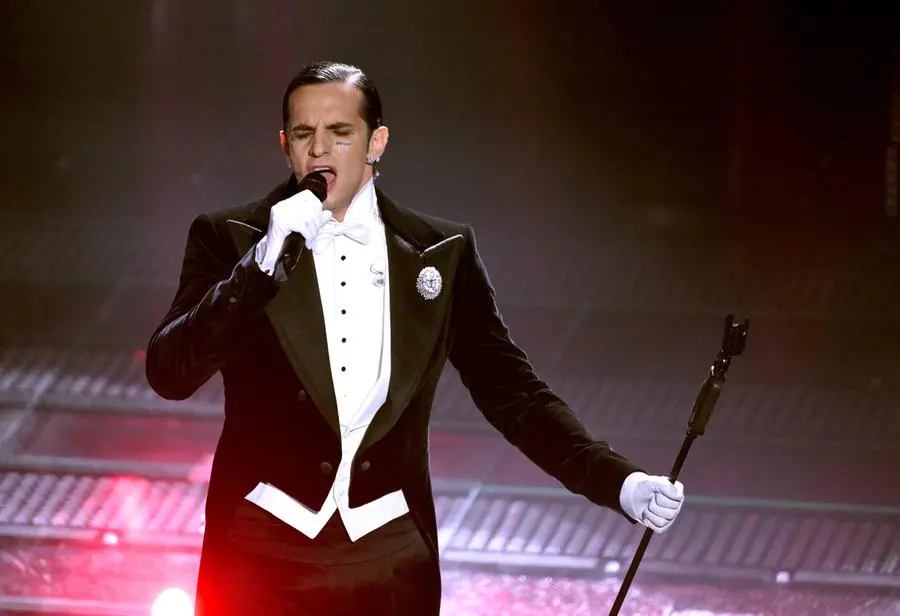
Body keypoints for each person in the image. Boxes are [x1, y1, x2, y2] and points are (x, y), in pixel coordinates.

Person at [146, 60, 685, 616]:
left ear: (376, 141)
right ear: (285, 146)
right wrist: (257, 269)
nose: (319, 150)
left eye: (341, 132)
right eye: (304, 135)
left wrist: (618, 481)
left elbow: (514, 394)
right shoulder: (230, 239)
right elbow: (169, 373)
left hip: (392, 567)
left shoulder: (441, 251)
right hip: (258, 561)